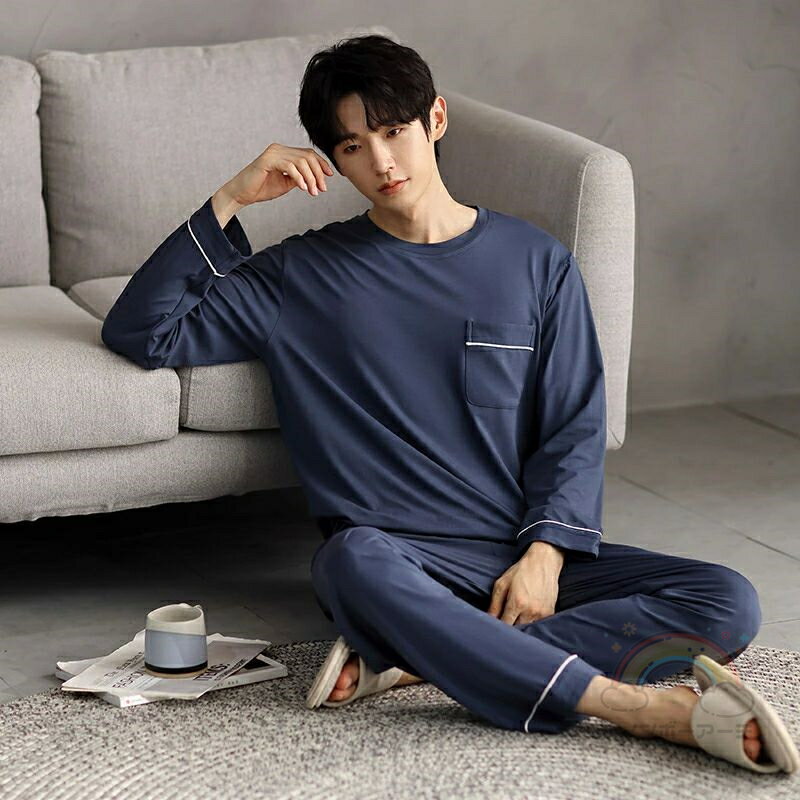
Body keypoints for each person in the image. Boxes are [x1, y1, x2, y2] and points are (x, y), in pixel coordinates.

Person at [101, 34, 771, 768]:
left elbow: (572, 426)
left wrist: (545, 555)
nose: (382, 162)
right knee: (346, 560)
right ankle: (626, 705)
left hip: (515, 547)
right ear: (334, 160)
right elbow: (142, 331)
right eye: (353, 146)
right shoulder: (301, 277)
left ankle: (421, 660)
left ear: (436, 120)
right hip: (397, 561)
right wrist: (230, 198)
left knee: (727, 599)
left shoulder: (537, 263)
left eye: (394, 131)